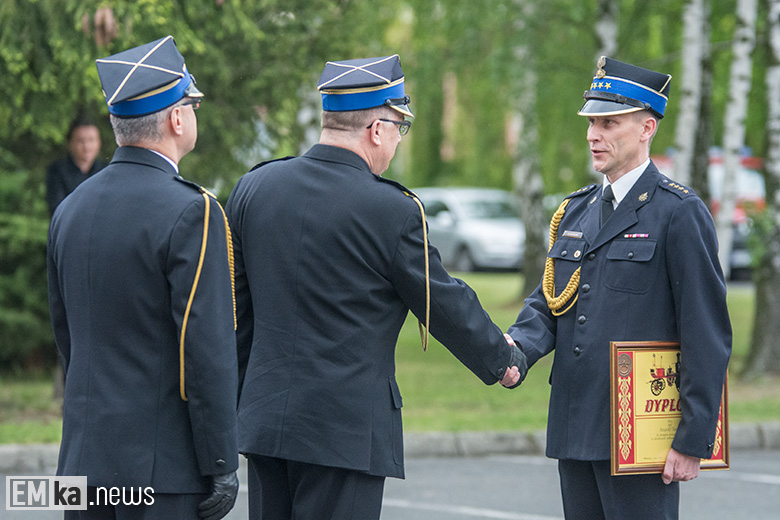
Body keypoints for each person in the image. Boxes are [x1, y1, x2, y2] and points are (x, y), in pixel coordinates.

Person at [225, 54, 528, 520]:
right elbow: (442, 301)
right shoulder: (392, 210)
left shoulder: (254, 188)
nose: (396, 143)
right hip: (344, 432)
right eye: (399, 130)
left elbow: (237, 315)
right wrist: (503, 360)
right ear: (377, 129)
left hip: (266, 425)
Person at [506, 56, 731, 520]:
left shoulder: (678, 212)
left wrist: (692, 439)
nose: (593, 134)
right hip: (575, 424)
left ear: (647, 128)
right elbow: (550, 304)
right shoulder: (575, 211)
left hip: (641, 431)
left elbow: (706, 333)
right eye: (591, 121)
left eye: (609, 122)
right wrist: (513, 352)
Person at [48, 36, 239, 520]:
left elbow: (68, 336)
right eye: (191, 104)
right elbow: (206, 348)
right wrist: (220, 459)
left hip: (81, 467)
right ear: (177, 118)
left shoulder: (70, 209)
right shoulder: (193, 210)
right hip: (161, 472)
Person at [45, 116, 107, 215]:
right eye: (81, 141)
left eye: (91, 140)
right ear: (70, 143)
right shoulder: (57, 171)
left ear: (99, 143)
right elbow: (57, 208)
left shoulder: (106, 171)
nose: (87, 146)